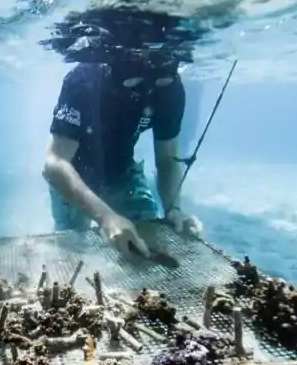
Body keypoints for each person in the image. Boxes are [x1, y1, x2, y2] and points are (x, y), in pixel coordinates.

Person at [42, 56, 204, 256]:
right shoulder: (84, 79)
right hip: (73, 176)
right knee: (71, 253)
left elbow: (167, 161)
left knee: (146, 247)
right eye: (138, 83)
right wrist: (106, 217)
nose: (148, 92)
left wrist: (174, 209)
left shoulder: (170, 90)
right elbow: (55, 163)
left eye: (159, 81)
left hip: (123, 172)